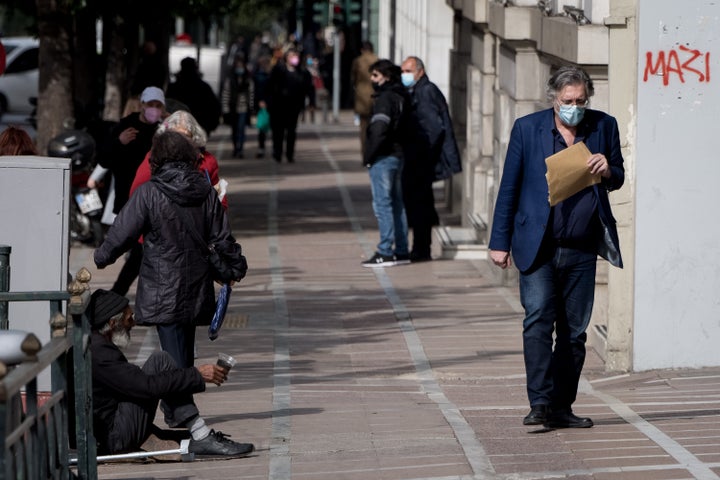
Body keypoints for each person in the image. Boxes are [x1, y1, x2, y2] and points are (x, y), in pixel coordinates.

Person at [488, 66, 624, 429]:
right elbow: (509, 189)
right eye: (568, 101)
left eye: (581, 101)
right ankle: (540, 403)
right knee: (537, 322)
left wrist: (607, 169)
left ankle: (562, 406)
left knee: (574, 333)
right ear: (554, 98)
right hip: (538, 246)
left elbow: (619, 177)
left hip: (581, 247)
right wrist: (499, 242)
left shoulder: (603, 126)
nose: (574, 108)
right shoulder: (528, 129)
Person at [94, 131, 247, 371]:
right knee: (182, 352)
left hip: (162, 286)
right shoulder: (206, 192)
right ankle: (178, 404)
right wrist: (235, 266)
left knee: (175, 357)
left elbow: (122, 232)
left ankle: (183, 408)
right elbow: (222, 236)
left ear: (156, 159)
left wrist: (102, 257)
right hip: (196, 284)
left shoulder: (149, 193)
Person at [88, 288, 254, 457]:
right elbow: (145, 387)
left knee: (160, 366)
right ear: (112, 323)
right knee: (161, 362)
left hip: (109, 429)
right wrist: (197, 374)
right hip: (113, 437)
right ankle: (201, 434)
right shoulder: (99, 352)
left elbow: (131, 383)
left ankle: (199, 435)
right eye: (129, 318)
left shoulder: (96, 345)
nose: (133, 323)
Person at [98, 86, 167, 295]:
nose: (154, 109)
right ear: (142, 105)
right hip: (128, 199)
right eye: (151, 105)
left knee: (142, 250)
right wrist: (119, 142)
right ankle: (118, 293)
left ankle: (118, 294)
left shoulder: (163, 131)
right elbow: (104, 159)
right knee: (139, 250)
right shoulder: (126, 127)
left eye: (158, 105)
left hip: (155, 200)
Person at [400, 56, 462, 262]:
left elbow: (433, 129)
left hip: (422, 160)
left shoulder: (425, 91)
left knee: (419, 205)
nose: (404, 75)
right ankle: (421, 247)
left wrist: (420, 153)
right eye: (403, 71)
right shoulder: (421, 89)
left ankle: (421, 249)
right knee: (422, 204)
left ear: (420, 71)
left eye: (408, 70)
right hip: (423, 160)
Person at [361, 59, 411, 268]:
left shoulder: (385, 99)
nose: (372, 80)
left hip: (384, 156)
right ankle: (401, 250)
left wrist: (369, 155)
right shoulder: (401, 96)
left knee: (383, 205)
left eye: (376, 76)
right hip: (398, 154)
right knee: (397, 204)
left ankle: (385, 251)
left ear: (386, 77)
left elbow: (380, 129)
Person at [129, 110, 228, 210]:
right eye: (176, 136)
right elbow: (136, 197)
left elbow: (221, 202)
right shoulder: (154, 158)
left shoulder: (207, 160)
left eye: (186, 136)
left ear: (194, 138)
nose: (181, 141)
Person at [266, 48, 315, 163]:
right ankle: (277, 152)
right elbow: (269, 86)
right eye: (292, 55)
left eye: (296, 55)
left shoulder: (303, 72)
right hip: (278, 106)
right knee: (278, 131)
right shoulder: (278, 70)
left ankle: (289, 154)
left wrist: (311, 103)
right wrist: (267, 101)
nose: (294, 58)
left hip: (294, 106)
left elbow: (309, 88)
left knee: (291, 131)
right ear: (286, 57)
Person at [167, 57, 222, 137]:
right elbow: (214, 107)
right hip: (199, 128)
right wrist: (210, 126)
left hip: (178, 127)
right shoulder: (204, 87)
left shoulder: (174, 87)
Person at [221, 56, 253, 158]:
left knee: (241, 129)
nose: (240, 68)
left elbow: (251, 94)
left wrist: (251, 107)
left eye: (241, 66)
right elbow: (226, 94)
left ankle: (240, 149)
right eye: (238, 66)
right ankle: (236, 147)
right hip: (233, 108)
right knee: (235, 130)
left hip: (243, 108)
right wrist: (225, 108)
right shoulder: (230, 80)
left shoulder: (248, 80)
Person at [351, 42, 378, 157]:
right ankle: (373, 151)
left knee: (363, 128)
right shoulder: (377, 60)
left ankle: (365, 153)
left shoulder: (358, 61)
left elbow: (353, 79)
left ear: (362, 50)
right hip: (376, 97)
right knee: (376, 126)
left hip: (362, 98)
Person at [252, 55, 272, 158]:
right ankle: (262, 148)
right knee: (263, 127)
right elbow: (257, 91)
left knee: (265, 128)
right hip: (263, 104)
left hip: (269, 104)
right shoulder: (259, 76)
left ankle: (264, 148)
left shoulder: (270, 75)